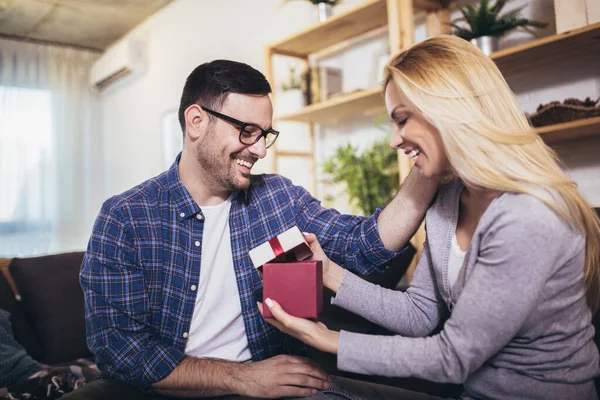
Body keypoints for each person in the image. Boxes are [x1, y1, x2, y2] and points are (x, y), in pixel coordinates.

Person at [71, 59, 439, 399]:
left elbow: (365, 246)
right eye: (247, 132)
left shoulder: (278, 198)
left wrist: (432, 161)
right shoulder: (126, 218)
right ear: (196, 121)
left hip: (280, 388)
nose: (261, 149)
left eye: (265, 134)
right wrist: (244, 377)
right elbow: (121, 351)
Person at [261, 35, 600, 400]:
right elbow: (420, 313)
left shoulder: (528, 215)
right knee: (309, 392)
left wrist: (330, 340)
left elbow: (453, 357)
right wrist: (328, 272)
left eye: (402, 119)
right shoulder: (449, 201)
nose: (395, 140)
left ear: (448, 110)